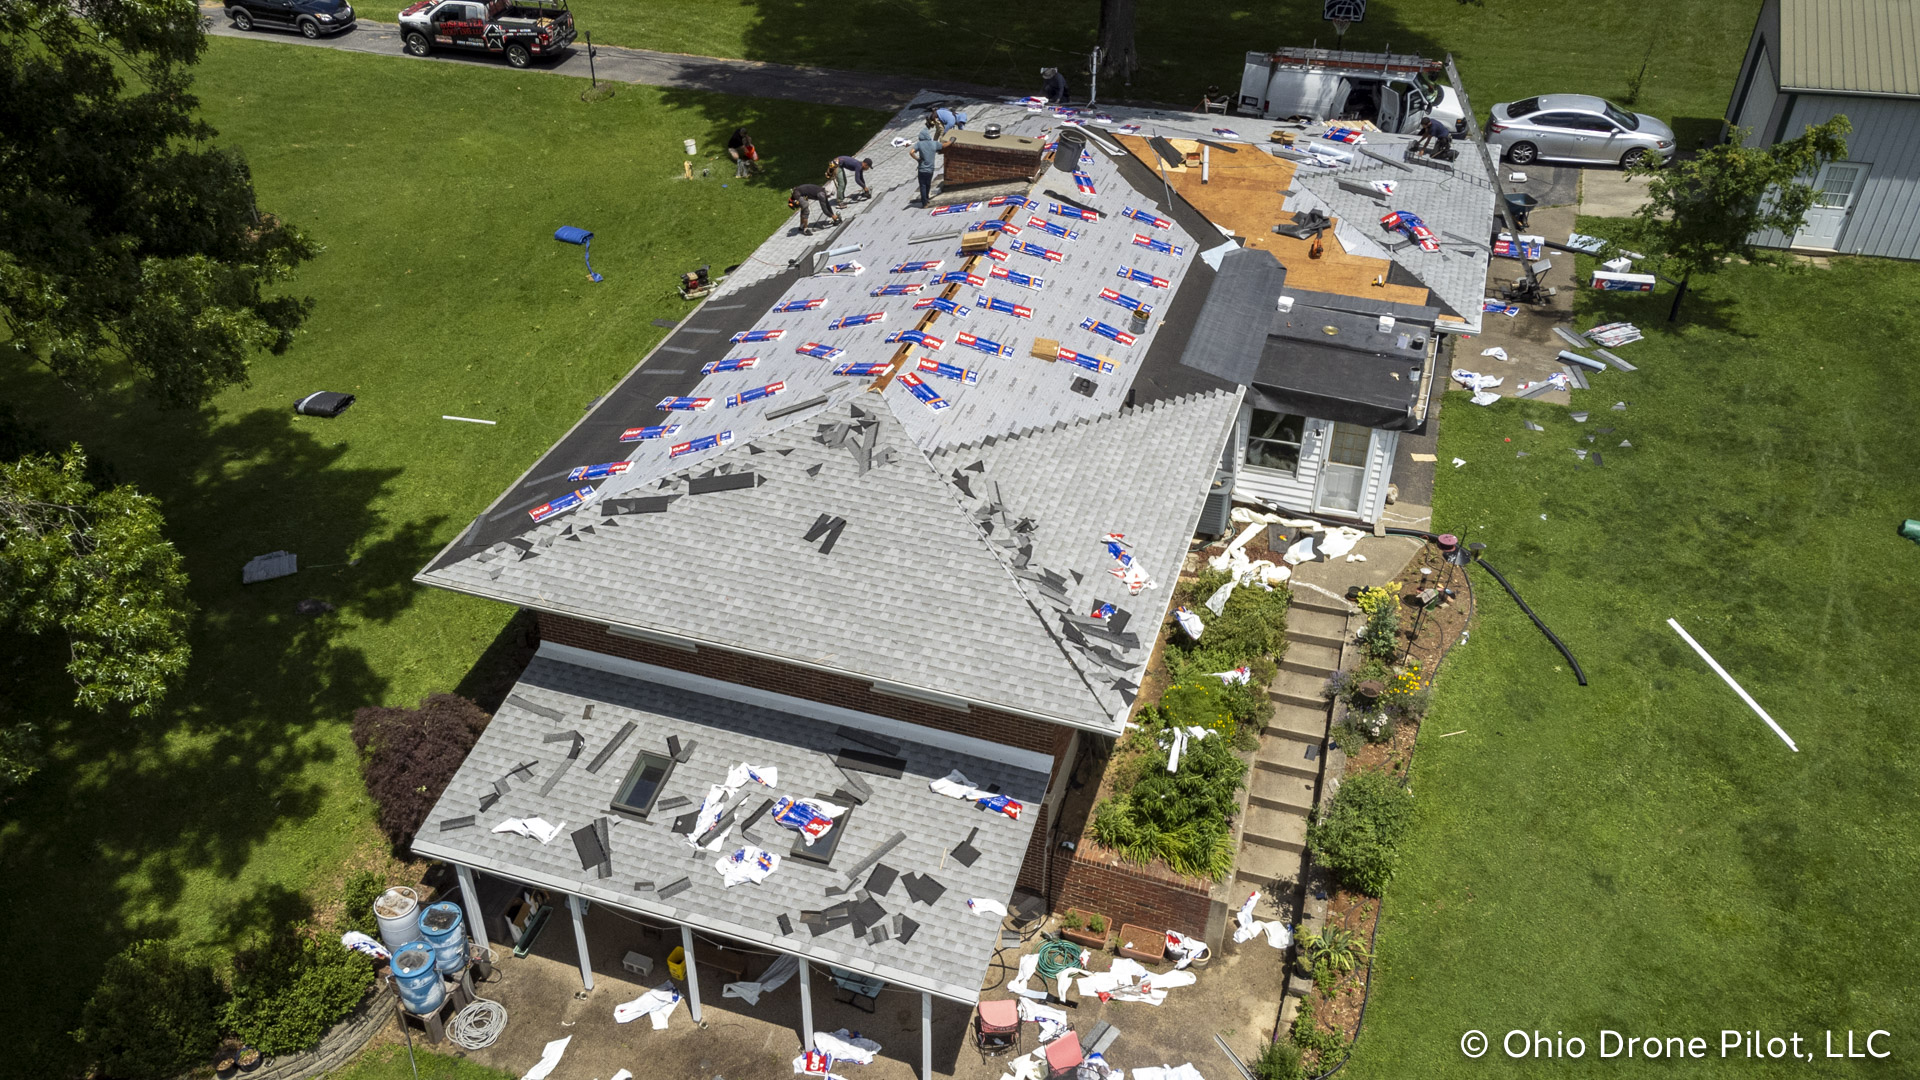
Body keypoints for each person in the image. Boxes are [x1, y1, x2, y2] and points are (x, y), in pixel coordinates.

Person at [910, 123, 942, 207]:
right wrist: (951, 141)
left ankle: (924, 203)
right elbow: (943, 146)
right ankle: (927, 199)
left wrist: (917, 159)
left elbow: (911, 152)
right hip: (930, 169)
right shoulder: (934, 143)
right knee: (928, 184)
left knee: (922, 186)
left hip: (922, 169)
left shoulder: (919, 144)